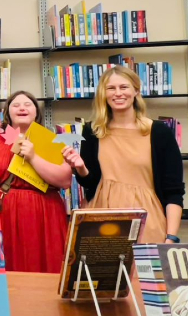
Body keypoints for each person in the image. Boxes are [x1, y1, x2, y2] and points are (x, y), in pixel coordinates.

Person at [62, 65, 184, 244]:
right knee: (100, 272)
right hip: (101, 220)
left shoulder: (158, 132)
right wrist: (80, 167)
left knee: (143, 273)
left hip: (148, 222)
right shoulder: (92, 131)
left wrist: (170, 237)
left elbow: (173, 191)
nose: (118, 93)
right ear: (104, 94)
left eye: (124, 87)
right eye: (111, 88)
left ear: (136, 90)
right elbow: (90, 183)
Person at [0, 90, 72, 273]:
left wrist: (33, 157)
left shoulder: (53, 142)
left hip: (46, 211)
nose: (22, 108)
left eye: (28, 104)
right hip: (6, 211)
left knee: (47, 265)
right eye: (16, 105)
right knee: (5, 265)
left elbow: (64, 181)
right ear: (7, 113)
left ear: (36, 112)